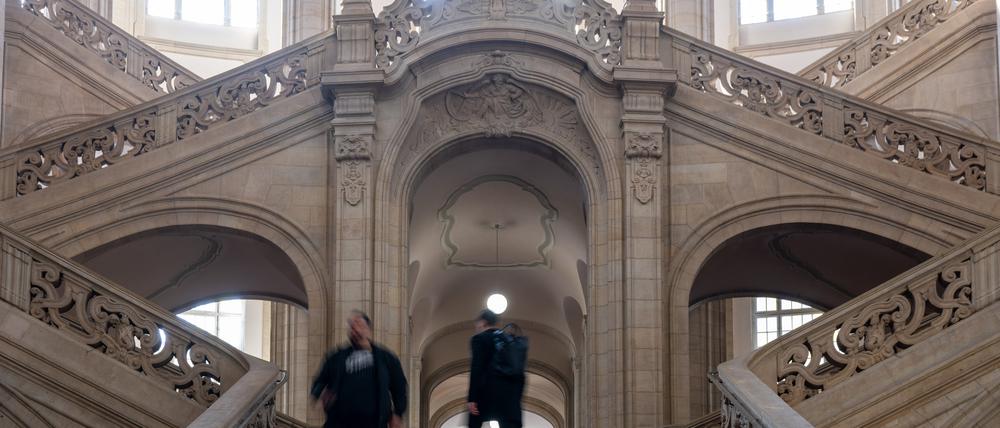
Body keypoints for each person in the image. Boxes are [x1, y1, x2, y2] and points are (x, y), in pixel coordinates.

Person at [311, 310, 407, 428]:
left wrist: (398, 414)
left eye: (359, 325)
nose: (355, 329)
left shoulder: (386, 358)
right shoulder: (336, 358)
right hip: (339, 423)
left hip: (374, 424)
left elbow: (400, 386)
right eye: (352, 326)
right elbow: (320, 381)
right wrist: (319, 394)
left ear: (368, 330)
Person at [467, 309, 525, 428]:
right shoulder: (511, 341)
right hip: (510, 398)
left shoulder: (479, 339)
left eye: (477, 324)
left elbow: (477, 367)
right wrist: (516, 399)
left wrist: (472, 398)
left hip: (486, 394)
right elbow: (519, 372)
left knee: (474, 422)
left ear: (483, 322)